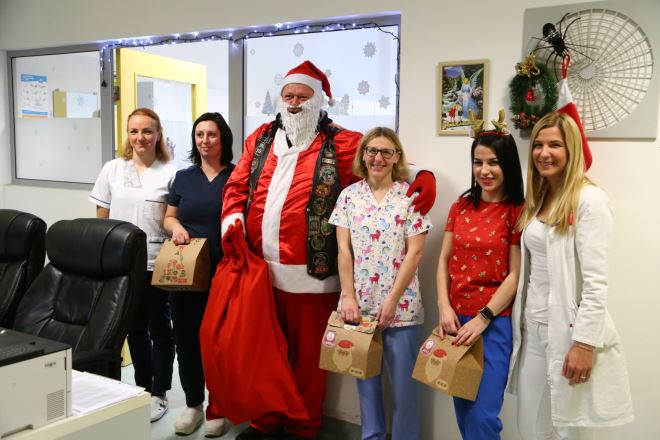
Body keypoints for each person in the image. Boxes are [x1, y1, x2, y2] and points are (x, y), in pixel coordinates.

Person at [221, 60, 436, 440]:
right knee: (262, 352)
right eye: (288, 96)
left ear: (318, 101)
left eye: (302, 96)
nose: (294, 103)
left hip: (312, 277)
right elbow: (237, 185)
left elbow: (381, 162)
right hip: (260, 272)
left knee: (308, 360)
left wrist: (425, 177)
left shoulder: (343, 141)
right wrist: (233, 221)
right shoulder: (260, 139)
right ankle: (263, 421)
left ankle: (303, 427)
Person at [507, 111, 634, 439]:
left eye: (554, 145)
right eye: (538, 145)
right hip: (532, 329)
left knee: (565, 429)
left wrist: (584, 343)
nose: (543, 153)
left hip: (567, 331)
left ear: (572, 149)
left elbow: (596, 282)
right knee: (529, 428)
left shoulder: (590, 200)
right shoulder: (540, 198)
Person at [329, 127, 431, 440]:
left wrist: (392, 300)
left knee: (404, 389)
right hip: (358, 308)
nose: (378, 158)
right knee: (366, 384)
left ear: (397, 157)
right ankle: (371, 436)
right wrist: (348, 296)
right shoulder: (349, 196)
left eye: (386, 152)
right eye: (372, 151)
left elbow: (415, 253)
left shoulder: (410, 197)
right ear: (363, 155)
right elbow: (343, 250)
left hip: (401, 308)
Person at [436, 121, 524, 439]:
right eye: (478, 162)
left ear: (508, 165)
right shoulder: (461, 206)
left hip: (493, 322)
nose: (484, 171)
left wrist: (484, 317)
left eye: (493, 162)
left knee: (482, 416)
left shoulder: (517, 211)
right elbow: (443, 260)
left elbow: (515, 275)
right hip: (455, 320)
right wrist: (444, 307)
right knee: (464, 411)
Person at [89, 107, 176, 423]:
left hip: (156, 262)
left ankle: (160, 391)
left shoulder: (170, 172)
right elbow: (102, 217)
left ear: (158, 134)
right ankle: (143, 388)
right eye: (134, 131)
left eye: (147, 131)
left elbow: (173, 218)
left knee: (160, 328)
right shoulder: (113, 169)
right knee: (134, 330)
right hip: (122, 264)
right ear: (128, 134)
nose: (141, 137)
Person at [163, 112, 235, 436]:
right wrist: (176, 227)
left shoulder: (236, 176)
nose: (205, 140)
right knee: (186, 339)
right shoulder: (183, 177)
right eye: (199, 135)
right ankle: (193, 404)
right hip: (187, 272)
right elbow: (168, 217)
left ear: (223, 139)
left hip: (224, 271)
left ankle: (218, 406)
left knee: (219, 342)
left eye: (211, 134)